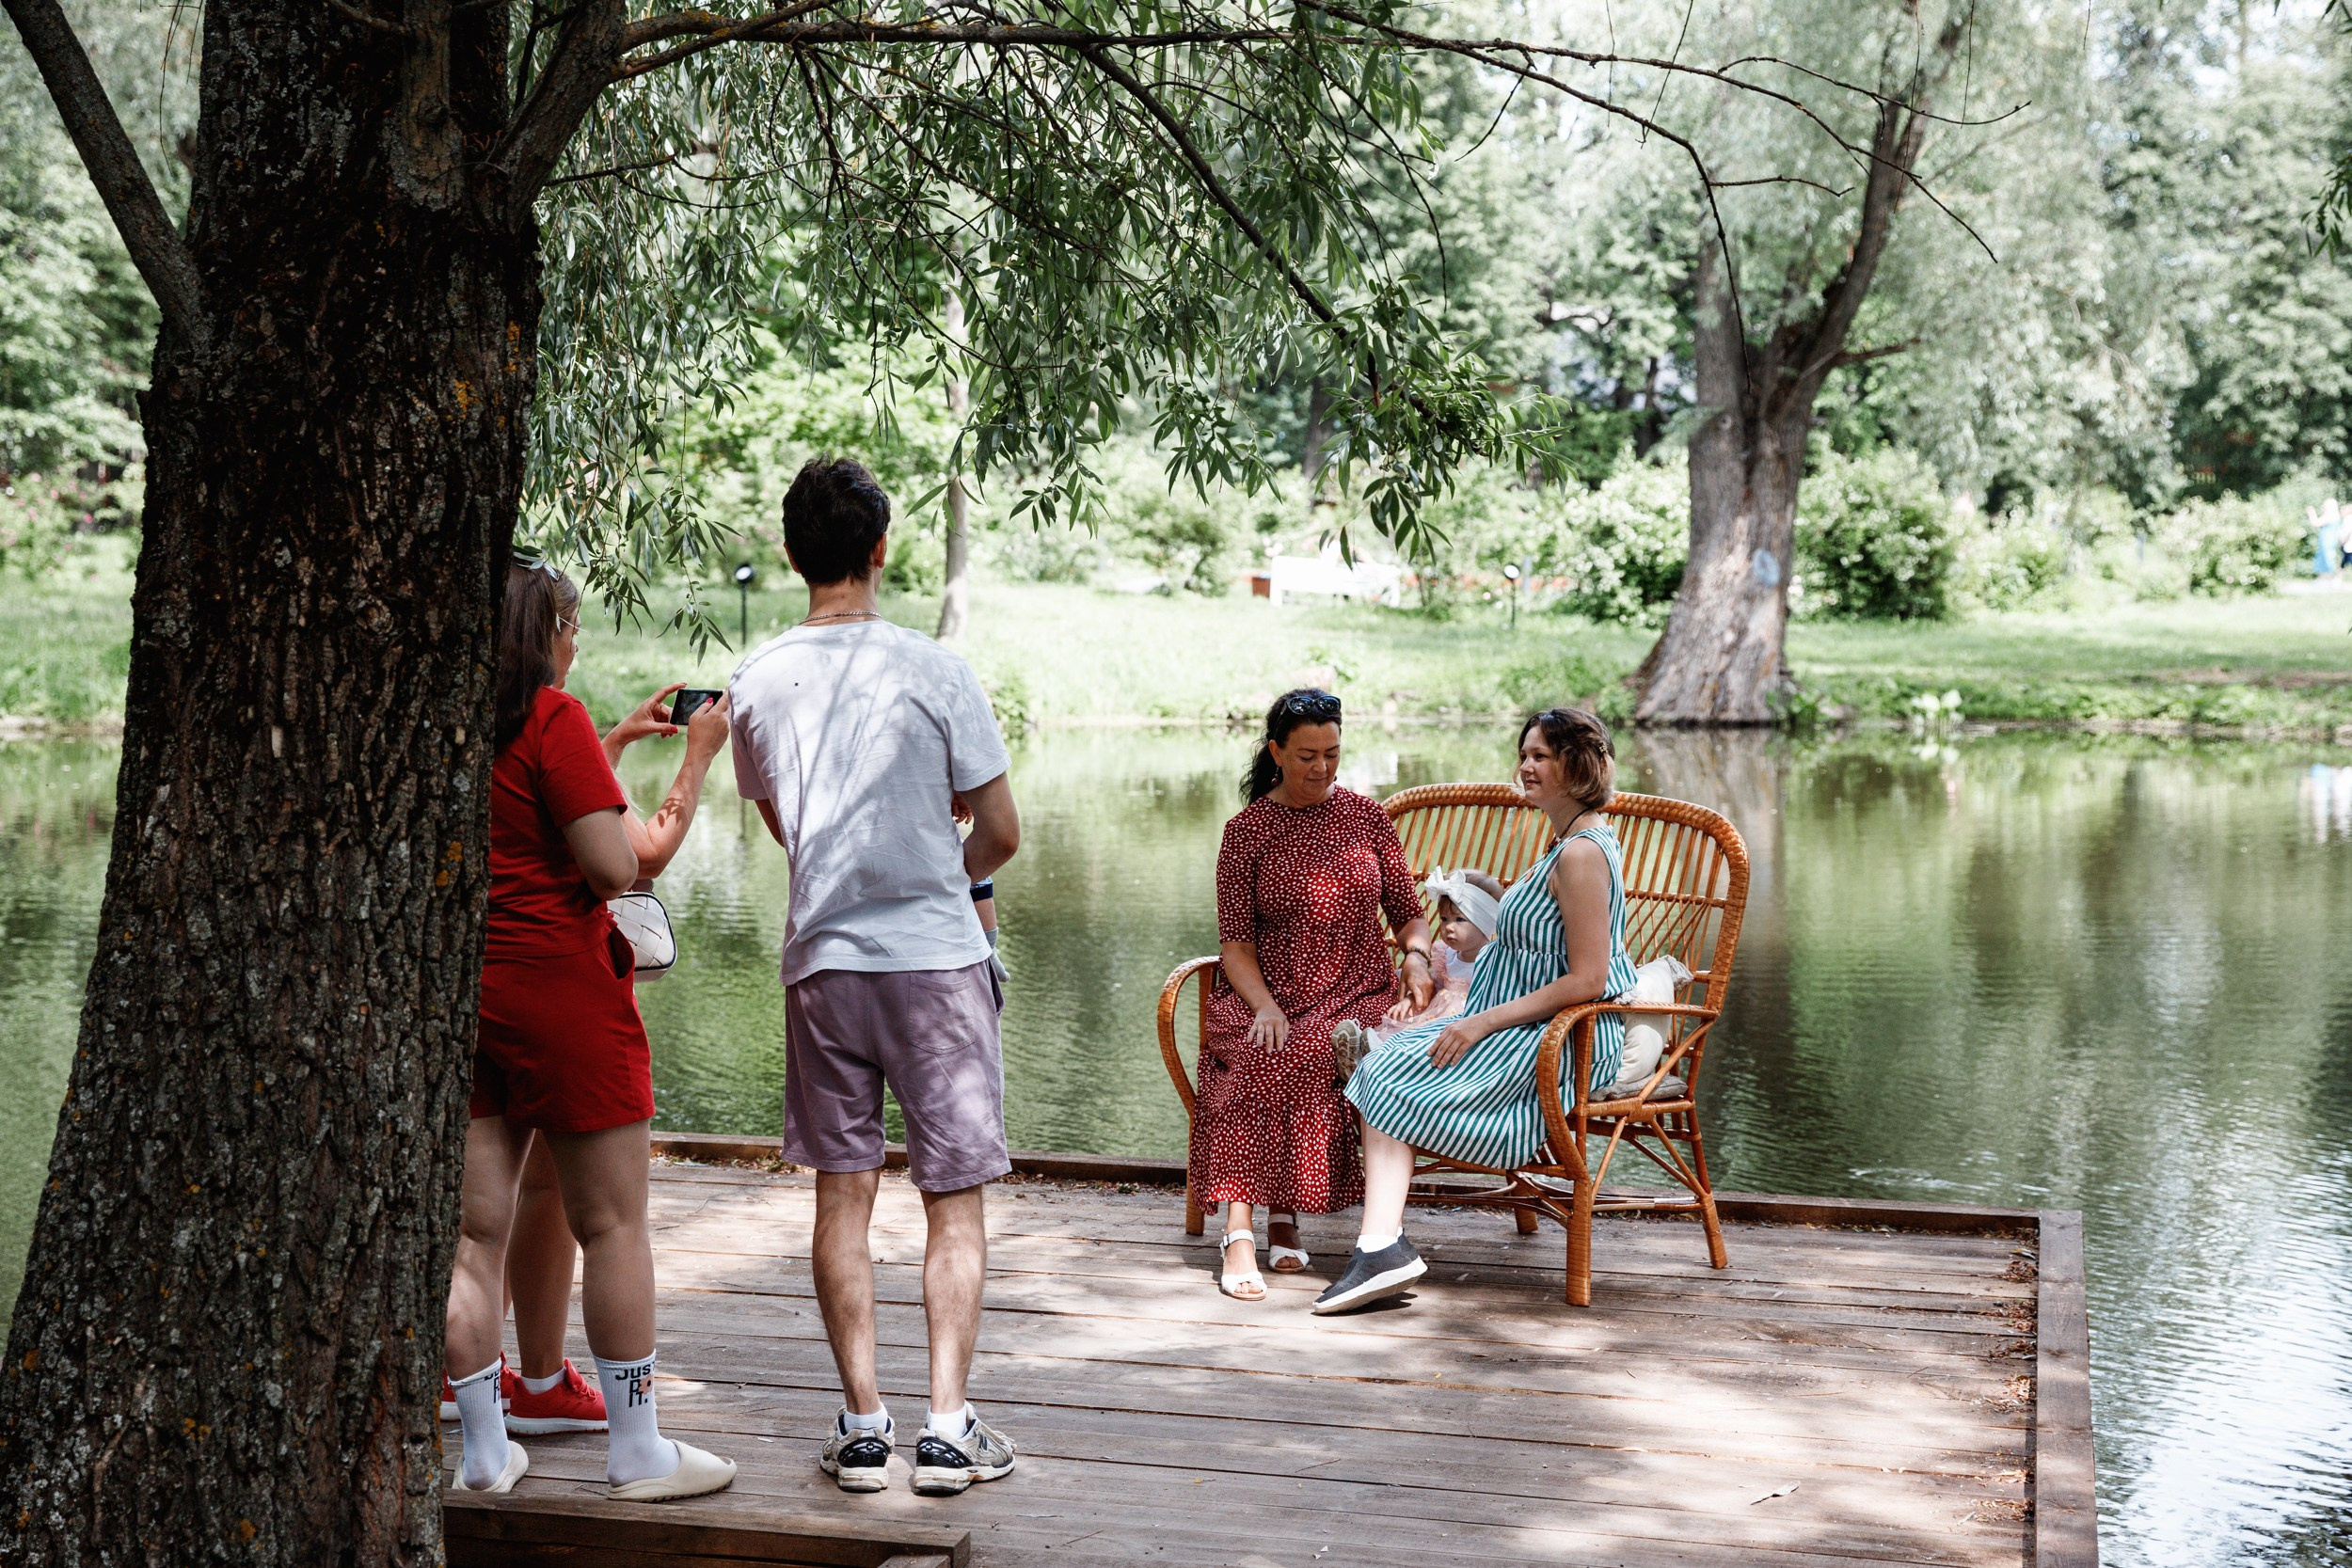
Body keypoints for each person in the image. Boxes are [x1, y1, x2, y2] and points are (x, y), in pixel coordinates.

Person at [727, 457, 1023, 1498]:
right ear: (880, 547)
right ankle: (945, 1431)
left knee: (841, 1195)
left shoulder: (755, 680)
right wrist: (943, 868)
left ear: (795, 552)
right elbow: (1001, 833)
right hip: (936, 964)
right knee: (953, 1200)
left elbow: (788, 833)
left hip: (825, 964)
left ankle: (862, 1429)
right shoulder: (936, 668)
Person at [443, 558, 737, 1501]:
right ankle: (639, 1447)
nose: (579, 642)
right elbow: (621, 864)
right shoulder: (549, 716)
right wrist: (697, 756)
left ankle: (486, 1450)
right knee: (612, 1223)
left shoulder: (453, 723)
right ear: (546, 633)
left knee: (471, 1239)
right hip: (565, 998)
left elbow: (533, 810)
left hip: (468, 998)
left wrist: (608, 738)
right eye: (572, 627)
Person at [1328, 708, 1639, 1317]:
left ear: (1576, 765)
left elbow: (1589, 977)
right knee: (1384, 1062)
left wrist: (1479, 1021)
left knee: (1384, 1070)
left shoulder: (1582, 854)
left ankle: (1380, 1248)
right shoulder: (1561, 844)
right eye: (1524, 753)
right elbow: (1538, 944)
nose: (1526, 765)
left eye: (1542, 755)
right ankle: (1380, 1244)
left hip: (1563, 1035)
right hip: (1520, 1020)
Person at [1190, 689, 1436, 1303]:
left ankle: (1282, 1212)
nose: (1322, 768)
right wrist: (1266, 1004)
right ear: (1275, 751)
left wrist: (1417, 955)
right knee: (1260, 1049)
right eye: (1306, 755)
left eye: (1332, 753)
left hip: (1355, 992)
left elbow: (1408, 914)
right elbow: (1236, 943)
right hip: (1266, 990)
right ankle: (1242, 1228)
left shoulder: (1367, 817)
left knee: (1310, 1053)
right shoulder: (1246, 832)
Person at [1331, 866, 1501, 1080]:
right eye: (1444, 919)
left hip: (1458, 1025)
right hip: (1432, 1013)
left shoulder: (1494, 960)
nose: (1448, 928)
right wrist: (1411, 1000)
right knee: (1404, 1031)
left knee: (1422, 1043)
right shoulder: (1444, 954)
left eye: (1460, 920)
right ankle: (1364, 1058)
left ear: (1486, 922)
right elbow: (1433, 985)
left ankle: (1375, 1062)